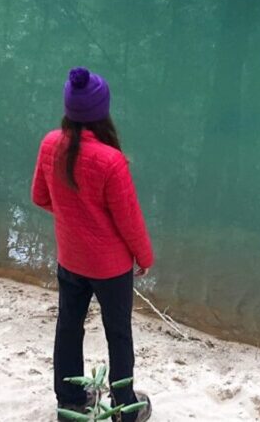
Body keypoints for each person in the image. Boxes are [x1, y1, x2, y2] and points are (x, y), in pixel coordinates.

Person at [31, 66, 155, 422]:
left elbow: (39, 196)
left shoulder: (50, 143)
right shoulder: (110, 161)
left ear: (69, 109)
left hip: (70, 259)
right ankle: (124, 407)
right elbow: (128, 220)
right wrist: (144, 257)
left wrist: (74, 217)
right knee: (118, 334)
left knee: (68, 327)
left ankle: (69, 401)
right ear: (102, 112)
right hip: (110, 267)